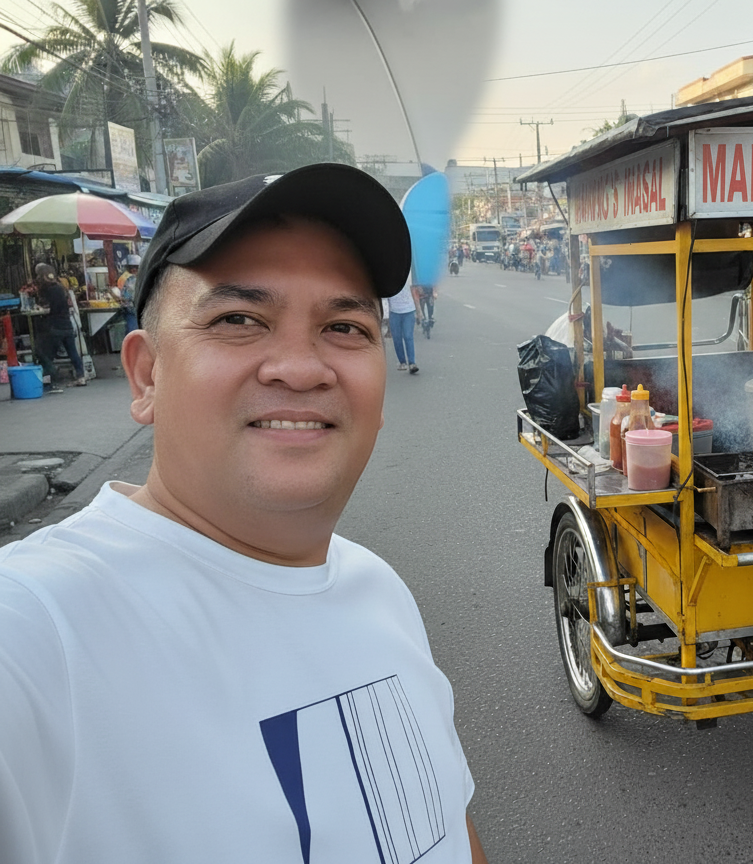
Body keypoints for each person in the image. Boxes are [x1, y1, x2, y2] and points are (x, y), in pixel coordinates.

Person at [0, 164, 486, 863]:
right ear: (147, 375)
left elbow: (446, 829)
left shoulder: (380, 591)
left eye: (345, 326)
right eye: (238, 320)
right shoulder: (37, 632)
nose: (301, 367)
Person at [32, 262, 87, 391]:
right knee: (73, 352)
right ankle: (81, 377)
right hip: (67, 325)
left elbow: (50, 309)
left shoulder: (48, 290)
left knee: (46, 355)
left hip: (54, 327)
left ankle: (50, 382)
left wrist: (41, 308)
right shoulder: (61, 288)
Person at [388, 275, 421, 373]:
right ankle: (402, 362)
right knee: (397, 338)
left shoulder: (408, 276)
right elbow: (385, 299)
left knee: (408, 336)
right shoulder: (387, 278)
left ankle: (412, 363)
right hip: (394, 312)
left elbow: (414, 293)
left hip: (409, 310)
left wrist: (419, 311)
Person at [110, 253, 141, 332]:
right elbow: (125, 296)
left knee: (133, 333)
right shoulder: (130, 279)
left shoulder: (132, 280)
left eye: (135, 267)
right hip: (131, 311)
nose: (133, 269)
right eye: (131, 267)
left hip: (132, 312)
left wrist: (119, 298)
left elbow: (127, 297)